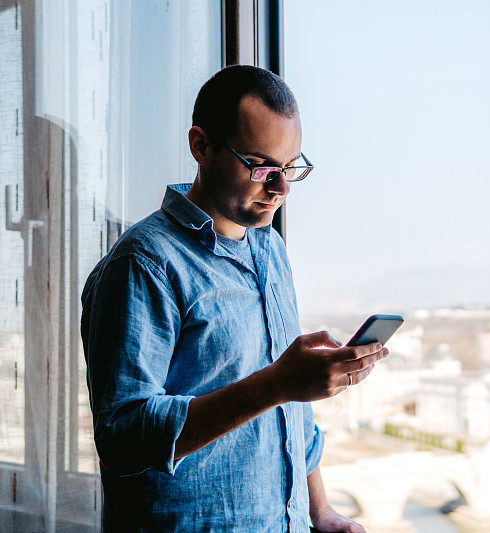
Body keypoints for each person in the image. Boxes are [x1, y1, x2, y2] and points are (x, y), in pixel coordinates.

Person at [80, 65, 386, 532]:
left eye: (290, 169)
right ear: (201, 146)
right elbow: (122, 436)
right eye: (262, 167)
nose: (280, 189)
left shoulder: (269, 249)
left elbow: (290, 416)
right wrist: (277, 383)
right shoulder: (143, 264)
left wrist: (319, 512)